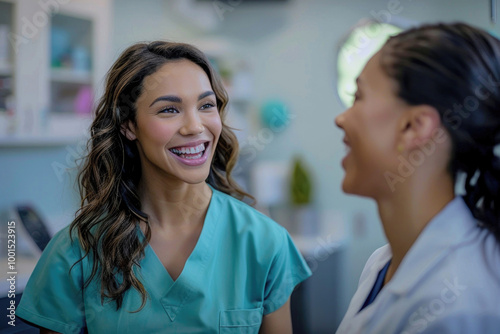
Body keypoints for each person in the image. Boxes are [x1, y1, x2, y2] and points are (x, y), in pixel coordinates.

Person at [17, 41, 311, 334]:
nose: (195, 126)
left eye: (206, 105)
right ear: (129, 126)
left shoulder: (264, 242)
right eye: (170, 109)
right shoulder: (75, 252)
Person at [335, 22, 500, 333]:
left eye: (359, 97)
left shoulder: (456, 310)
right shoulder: (383, 263)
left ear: (415, 127)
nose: (341, 118)